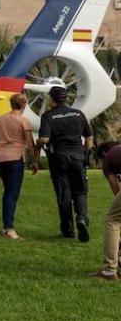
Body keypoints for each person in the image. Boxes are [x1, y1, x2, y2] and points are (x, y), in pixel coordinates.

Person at [37, 86, 94, 241]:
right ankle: (82, 218)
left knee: (64, 193)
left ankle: (68, 229)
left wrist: (37, 143)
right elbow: (89, 138)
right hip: (78, 157)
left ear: (52, 99)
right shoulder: (78, 114)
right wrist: (86, 154)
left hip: (59, 158)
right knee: (80, 191)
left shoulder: (48, 116)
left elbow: (45, 139)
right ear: (65, 98)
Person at [0, 93, 39, 240]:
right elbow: (30, 143)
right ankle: (9, 228)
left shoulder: (0, 119)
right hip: (15, 158)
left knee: (8, 192)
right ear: (24, 105)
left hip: (1, 158)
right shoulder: (23, 121)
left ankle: (6, 226)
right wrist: (34, 160)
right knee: (12, 193)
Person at [94, 141, 121, 280]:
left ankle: (109, 270)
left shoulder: (108, 159)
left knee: (113, 219)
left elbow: (116, 188)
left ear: (103, 154)